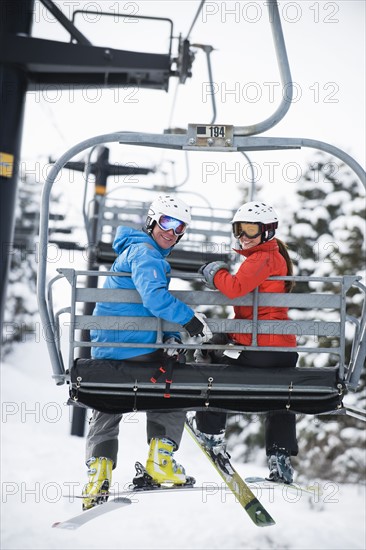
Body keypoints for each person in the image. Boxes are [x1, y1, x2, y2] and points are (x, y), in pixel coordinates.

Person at [83, 195, 212, 510]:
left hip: (109, 350)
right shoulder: (145, 253)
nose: (172, 232)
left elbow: (149, 307)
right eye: (166, 222)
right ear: (152, 221)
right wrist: (191, 321)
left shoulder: (137, 251)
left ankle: (99, 472)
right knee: (173, 386)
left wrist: (169, 336)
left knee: (106, 398)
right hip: (133, 349)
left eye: (179, 227)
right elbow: (155, 300)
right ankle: (161, 458)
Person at [191, 200, 298, 484]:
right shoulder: (274, 257)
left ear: (268, 231)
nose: (243, 237)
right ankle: (280, 454)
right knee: (282, 397)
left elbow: (235, 289)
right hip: (283, 352)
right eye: (239, 229)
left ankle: (210, 432)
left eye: (251, 229)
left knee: (212, 369)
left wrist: (215, 273)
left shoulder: (261, 257)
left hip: (260, 349)